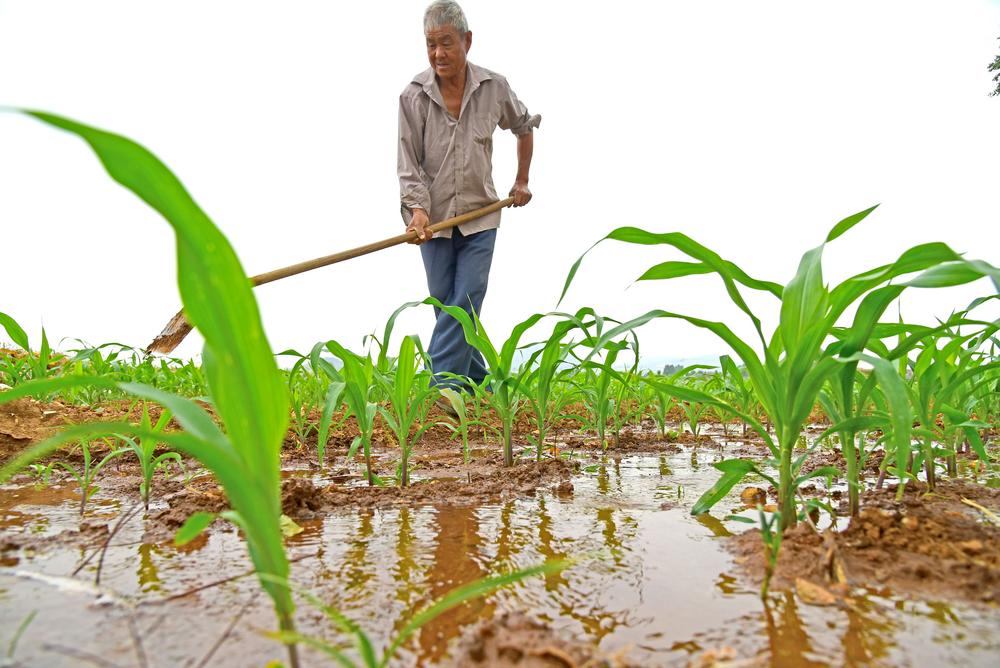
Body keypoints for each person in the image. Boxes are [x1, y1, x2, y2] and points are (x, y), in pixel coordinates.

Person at [398, 0, 539, 391]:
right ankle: (485, 387)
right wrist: (418, 211)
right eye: (431, 44)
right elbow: (408, 163)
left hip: (481, 216)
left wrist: (522, 180)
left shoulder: (494, 88)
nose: (438, 53)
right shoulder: (413, 97)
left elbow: (523, 126)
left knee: (466, 300)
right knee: (448, 308)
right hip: (434, 223)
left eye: (446, 43)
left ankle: (440, 389)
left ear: (467, 41)